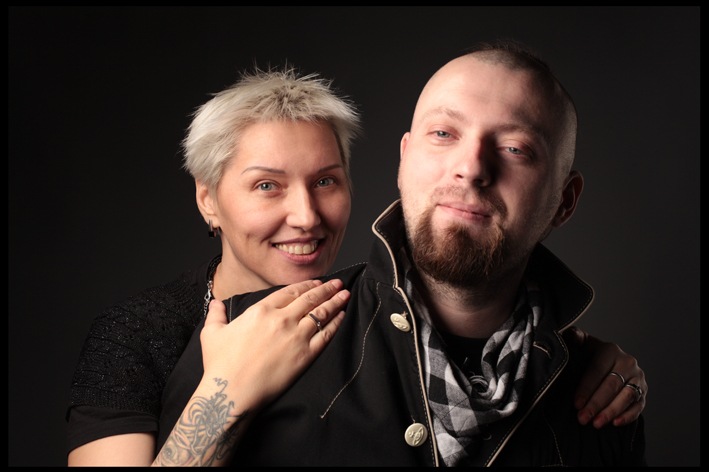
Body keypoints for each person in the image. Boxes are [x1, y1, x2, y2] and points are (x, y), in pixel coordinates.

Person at [67, 60, 646, 466]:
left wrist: (576, 353)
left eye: (325, 181)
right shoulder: (148, 336)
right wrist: (226, 390)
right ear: (207, 199)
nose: (305, 216)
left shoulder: (590, 385)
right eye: (267, 185)